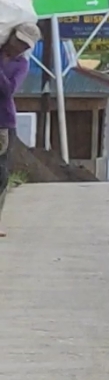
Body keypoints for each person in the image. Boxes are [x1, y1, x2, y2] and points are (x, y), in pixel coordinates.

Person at [0, 23, 41, 236]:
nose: (19, 47)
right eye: (19, 41)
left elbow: (8, 91)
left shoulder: (20, 65)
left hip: (3, 123)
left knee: (0, 173)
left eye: (25, 45)